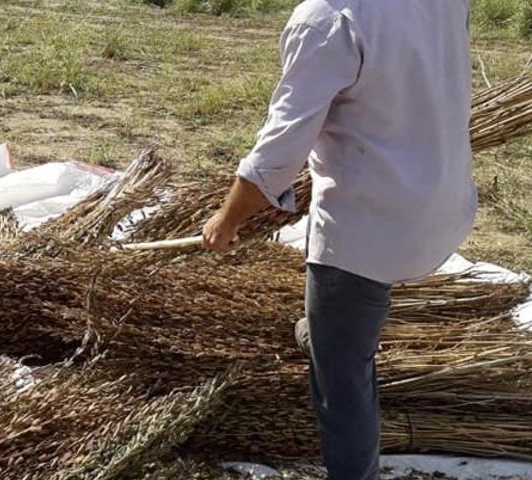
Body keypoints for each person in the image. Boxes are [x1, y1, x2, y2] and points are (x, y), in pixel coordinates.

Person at [201, 1, 477, 479]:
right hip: (446, 204)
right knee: (335, 318)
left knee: (343, 379)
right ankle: (321, 330)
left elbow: (278, 155)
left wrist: (226, 221)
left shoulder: (326, 22)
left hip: (370, 233)